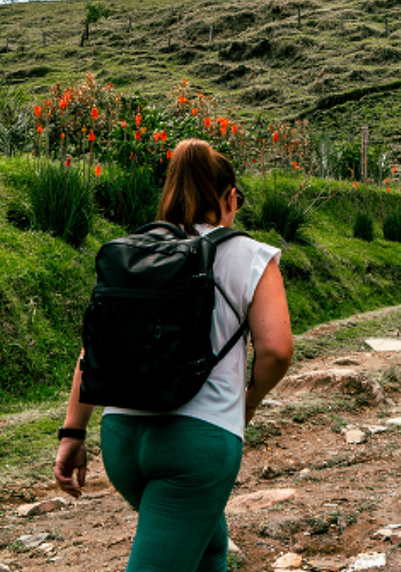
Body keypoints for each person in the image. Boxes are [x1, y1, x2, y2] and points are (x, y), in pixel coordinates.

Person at [54, 139, 294, 572]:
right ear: (229, 197)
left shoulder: (133, 253)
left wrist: (72, 433)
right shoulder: (251, 255)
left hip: (122, 438)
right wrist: (249, 401)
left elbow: (94, 350)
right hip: (196, 448)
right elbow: (277, 350)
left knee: (208, 551)